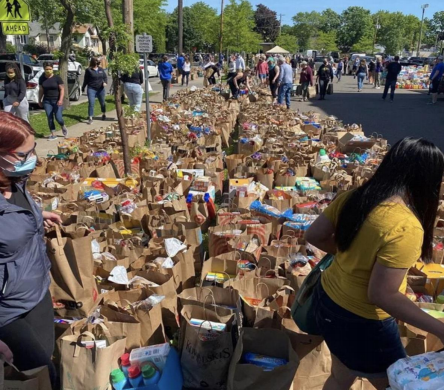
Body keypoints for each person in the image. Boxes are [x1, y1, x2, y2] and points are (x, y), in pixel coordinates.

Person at [305, 137, 444, 390]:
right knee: (400, 384)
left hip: (327, 300)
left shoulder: (353, 197)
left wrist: (353, 255)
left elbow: (313, 235)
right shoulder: (405, 226)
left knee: (341, 375)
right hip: (364, 323)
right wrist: (440, 329)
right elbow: (381, 294)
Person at [0, 113, 64, 389]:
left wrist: (39, 215)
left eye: (34, 149)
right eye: (25, 153)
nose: (34, 158)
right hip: (6, 312)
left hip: (36, 291)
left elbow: (15, 214)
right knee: (41, 375)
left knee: (45, 363)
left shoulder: (14, 179)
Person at [38, 62, 68, 140]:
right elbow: (41, 90)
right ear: (44, 69)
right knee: (49, 117)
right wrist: (39, 100)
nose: (48, 70)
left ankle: (63, 125)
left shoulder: (57, 78)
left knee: (58, 118)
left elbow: (62, 89)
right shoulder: (42, 78)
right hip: (47, 101)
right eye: (46, 69)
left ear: (52, 69)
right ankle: (53, 134)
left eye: (50, 69)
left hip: (57, 100)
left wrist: (61, 99)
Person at [81, 57, 107, 125]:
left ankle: (103, 114)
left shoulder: (101, 69)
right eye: (96, 61)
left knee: (102, 103)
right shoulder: (88, 70)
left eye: (98, 61)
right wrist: (83, 87)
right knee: (91, 103)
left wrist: (105, 82)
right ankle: (90, 118)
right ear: (93, 62)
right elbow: (85, 80)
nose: (97, 62)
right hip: (91, 89)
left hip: (100, 89)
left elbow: (105, 77)